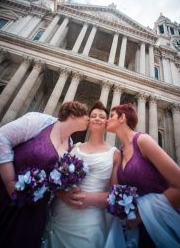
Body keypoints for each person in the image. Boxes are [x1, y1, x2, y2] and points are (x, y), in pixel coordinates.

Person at [0, 101, 89, 248]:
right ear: (74, 114)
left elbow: (54, 177)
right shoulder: (39, 121)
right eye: (86, 115)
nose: (89, 119)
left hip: (33, 209)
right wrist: (10, 183)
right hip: (3, 192)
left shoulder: (70, 143)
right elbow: (1, 138)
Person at [106, 103, 180, 248]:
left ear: (122, 118)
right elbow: (114, 189)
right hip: (137, 232)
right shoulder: (120, 152)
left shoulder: (142, 140)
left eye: (111, 116)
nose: (108, 119)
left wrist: (140, 215)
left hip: (163, 226)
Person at [42, 100, 121, 248]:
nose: (97, 118)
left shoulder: (115, 154)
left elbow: (114, 194)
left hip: (90, 219)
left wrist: (90, 198)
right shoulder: (75, 147)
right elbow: (57, 178)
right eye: (94, 115)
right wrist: (62, 194)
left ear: (106, 123)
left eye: (102, 117)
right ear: (89, 121)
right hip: (61, 210)